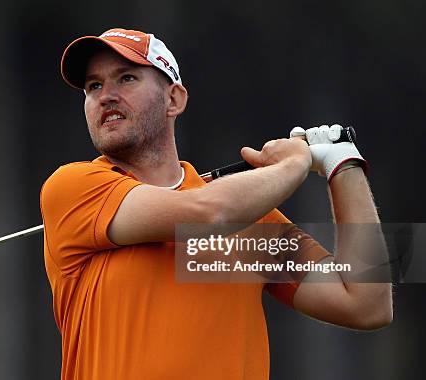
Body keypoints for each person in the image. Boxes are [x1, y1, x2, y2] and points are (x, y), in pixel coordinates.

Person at [40, 28, 392, 379]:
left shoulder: (252, 222)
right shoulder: (72, 188)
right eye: (94, 86)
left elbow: (366, 304)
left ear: (174, 100)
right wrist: (294, 164)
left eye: (126, 78)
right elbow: (208, 214)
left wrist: (344, 166)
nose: (106, 96)